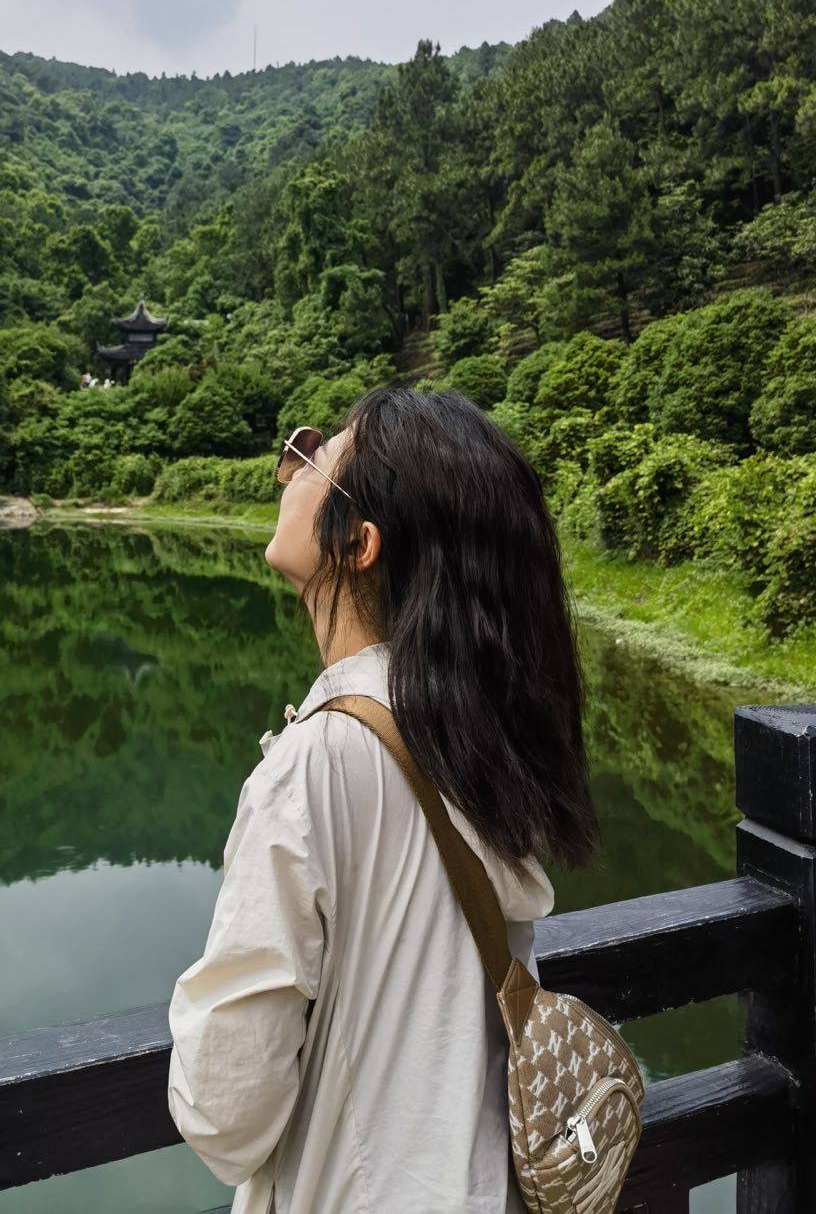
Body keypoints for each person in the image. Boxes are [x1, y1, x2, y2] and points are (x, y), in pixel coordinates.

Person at [166, 383, 599, 1213]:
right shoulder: (480, 731)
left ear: (358, 544)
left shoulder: (316, 763)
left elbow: (225, 1113)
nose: (286, 471)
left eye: (312, 460)